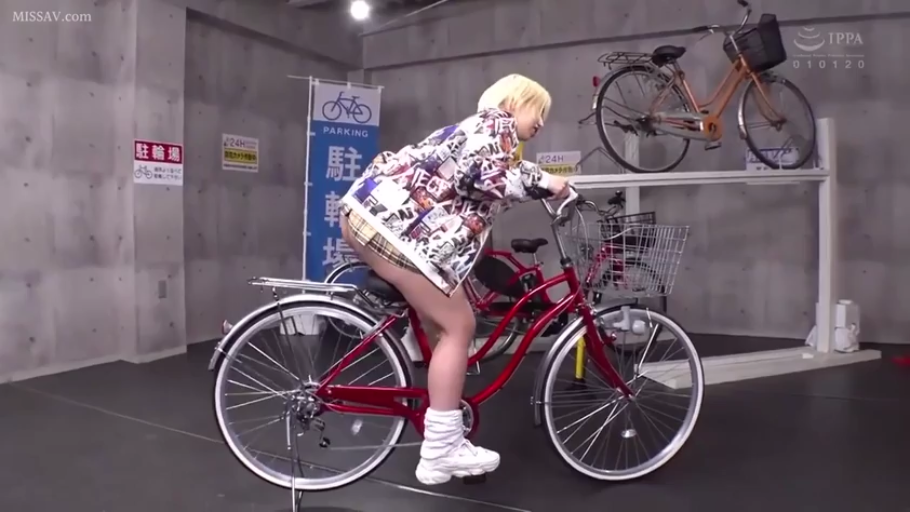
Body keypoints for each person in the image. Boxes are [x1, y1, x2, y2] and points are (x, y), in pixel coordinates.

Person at [339, 74, 570, 485]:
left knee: (442, 323)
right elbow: (478, 176)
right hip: (396, 231)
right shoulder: (495, 123)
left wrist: (538, 178)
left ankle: (445, 419)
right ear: (514, 103)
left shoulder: (482, 132)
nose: (541, 123)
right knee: (459, 326)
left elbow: (499, 169)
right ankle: (441, 449)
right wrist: (544, 183)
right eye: (538, 112)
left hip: (375, 218)